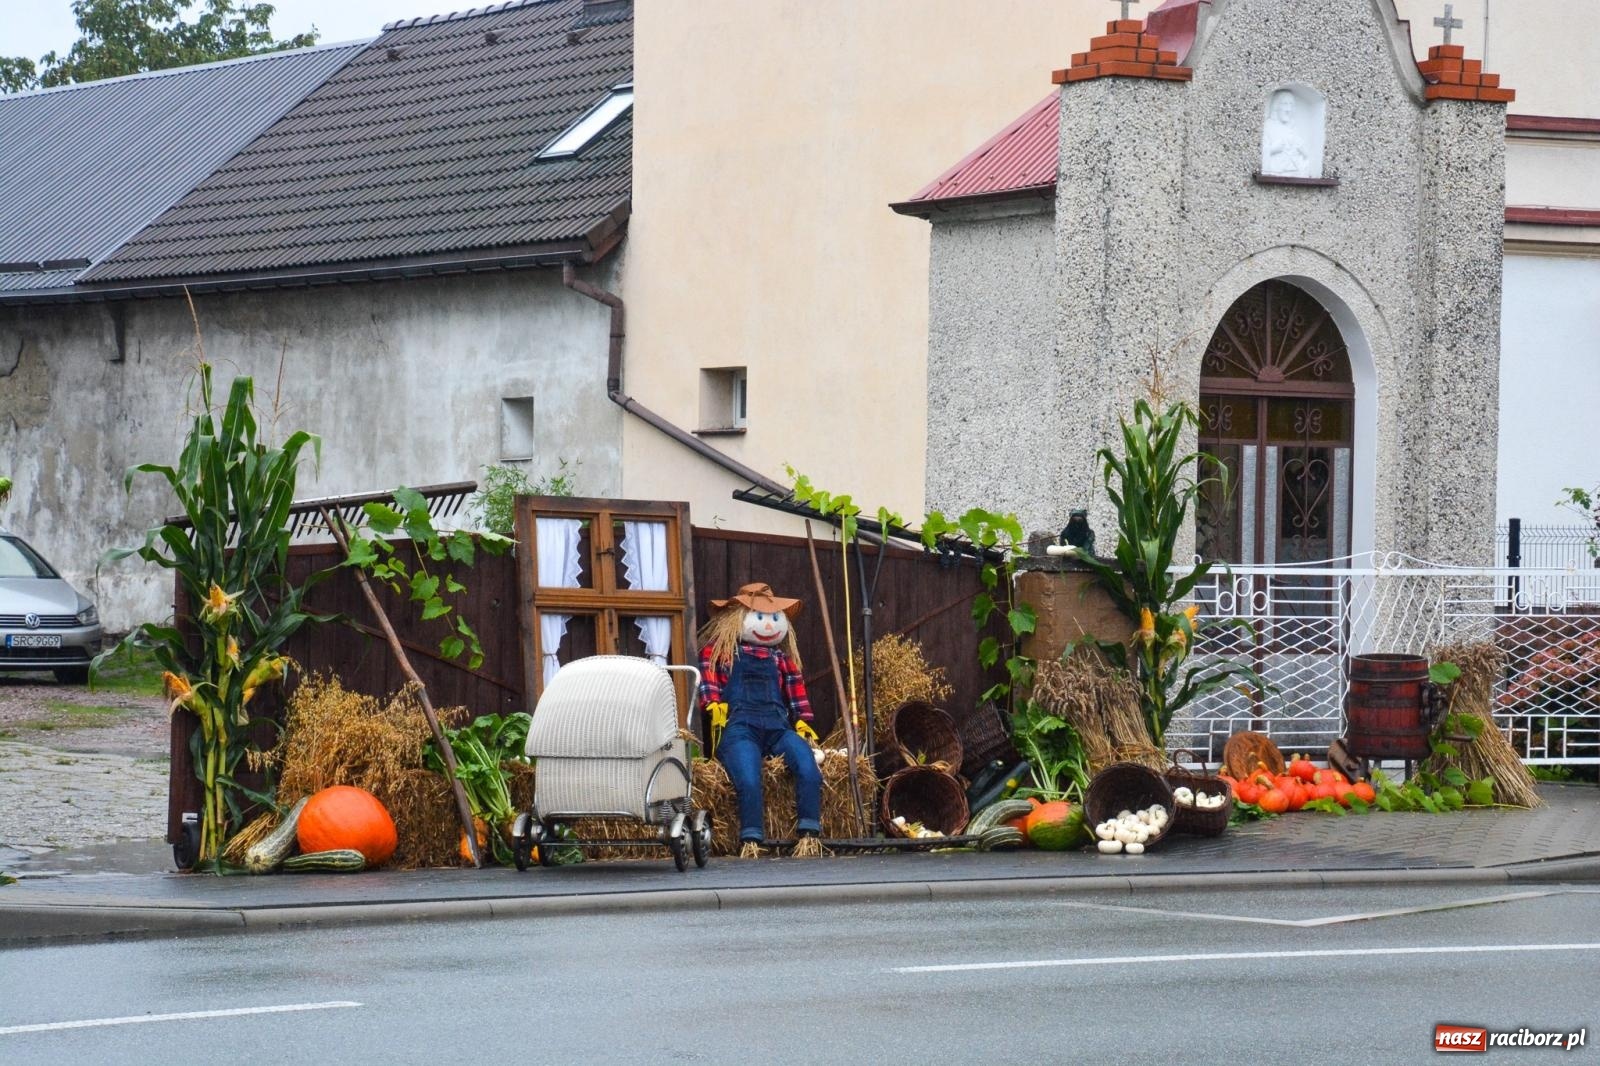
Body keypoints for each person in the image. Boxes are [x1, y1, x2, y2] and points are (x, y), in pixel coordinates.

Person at [697, 581, 823, 858]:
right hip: (740, 729)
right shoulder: (721, 653)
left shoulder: (782, 659)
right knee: (749, 778)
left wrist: (802, 719)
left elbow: (796, 692)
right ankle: (751, 839)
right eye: (761, 618)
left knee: (808, 766)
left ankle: (809, 834)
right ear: (735, 620)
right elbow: (707, 681)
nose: (768, 626)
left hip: (778, 728)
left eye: (775, 619)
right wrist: (713, 705)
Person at [1262, 89, 1313, 178]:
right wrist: (1272, 149)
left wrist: (1303, 151)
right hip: (1275, 172)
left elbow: (1306, 155)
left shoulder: (1294, 128)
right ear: (1276, 106)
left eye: (1291, 105)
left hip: (1294, 172)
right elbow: (1258, 153)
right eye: (1284, 104)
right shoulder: (1268, 126)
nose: (1288, 109)